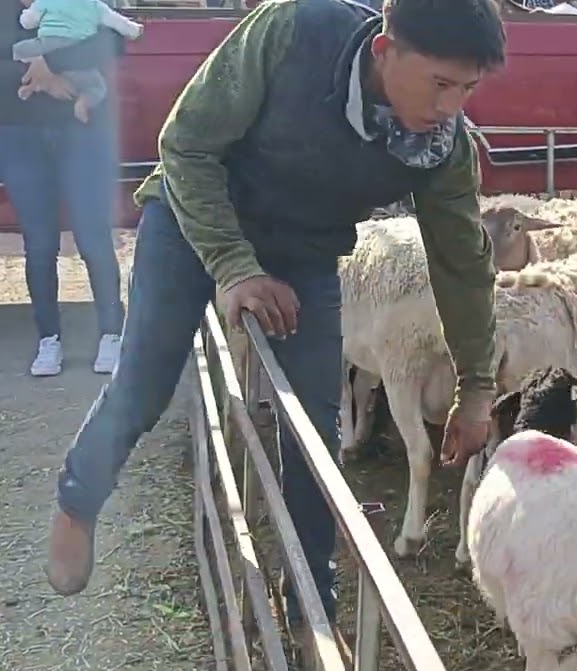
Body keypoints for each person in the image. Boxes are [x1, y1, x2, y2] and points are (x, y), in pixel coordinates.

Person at [44, 0, 503, 625]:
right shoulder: (295, 30)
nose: (451, 106)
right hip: (193, 215)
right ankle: (78, 498)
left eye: (469, 88)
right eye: (441, 84)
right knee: (145, 381)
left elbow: (461, 262)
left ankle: (312, 594)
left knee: (314, 426)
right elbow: (185, 145)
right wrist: (234, 266)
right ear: (384, 51)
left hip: (304, 252)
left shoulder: (440, 146)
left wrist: (476, 385)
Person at [1, 5, 124, 378]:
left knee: (93, 236)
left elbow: (112, 41)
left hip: (83, 130)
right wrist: (42, 77)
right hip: (19, 132)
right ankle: (48, 339)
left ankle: (112, 334)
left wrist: (48, 62)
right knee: (38, 244)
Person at [14, 0, 142, 122]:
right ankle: (83, 102)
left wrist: (49, 64)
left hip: (80, 123)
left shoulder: (44, 4)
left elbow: (113, 42)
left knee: (19, 50)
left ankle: (30, 88)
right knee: (97, 87)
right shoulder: (94, 5)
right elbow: (119, 25)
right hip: (14, 118)